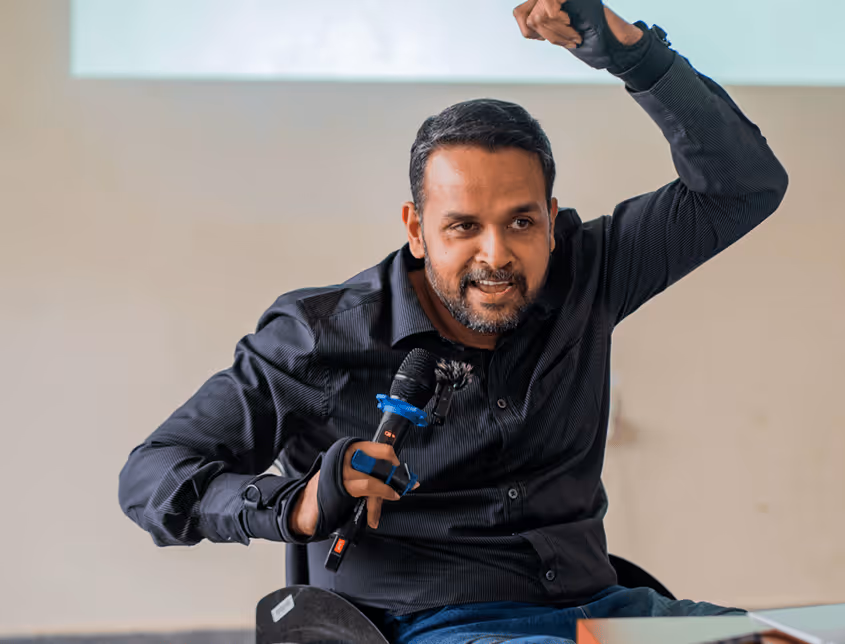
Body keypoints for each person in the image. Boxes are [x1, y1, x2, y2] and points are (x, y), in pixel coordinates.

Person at [118, 1, 788, 642]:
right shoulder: (320, 337)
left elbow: (744, 184)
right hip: (431, 625)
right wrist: (300, 502)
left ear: (551, 220)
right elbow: (152, 476)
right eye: (464, 226)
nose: (496, 255)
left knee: (801, 638)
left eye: (521, 222)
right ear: (417, 229)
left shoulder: (591, 270)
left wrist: (630, 52)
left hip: (604, 611)